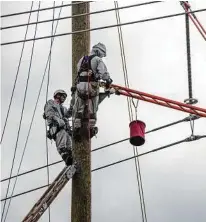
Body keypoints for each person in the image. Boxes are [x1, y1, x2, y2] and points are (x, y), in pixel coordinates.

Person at [71, 42, 113, 139]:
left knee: (79, 109)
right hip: (91, 88)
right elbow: (103, 74)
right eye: (102, 54)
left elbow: (78, 72)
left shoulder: (82, 59)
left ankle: (76, 130)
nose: (102, 57)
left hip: (80, 88)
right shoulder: (98, 60)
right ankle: (90, 129)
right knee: (93, 109)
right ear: (98, 51)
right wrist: (108, 80)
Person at [44, 89, 73, 166]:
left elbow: (69, 113)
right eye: (62, 96)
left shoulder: (63, 108)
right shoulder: (51, 102)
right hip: (57, 128)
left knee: (70, 148)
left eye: (64, 97)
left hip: (66, 130)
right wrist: (57, 120)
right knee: (62, 146)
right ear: (57, 95)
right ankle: (66, 158)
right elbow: (49, 113)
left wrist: (73, 102)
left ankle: (70, 158)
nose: (64, 98)